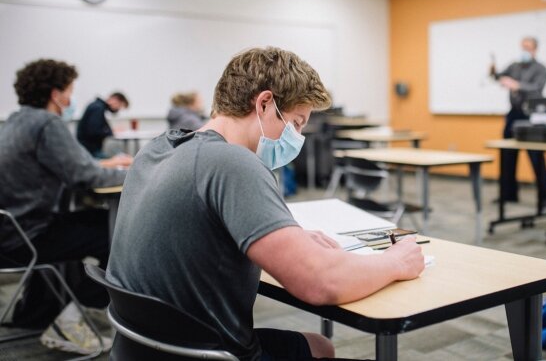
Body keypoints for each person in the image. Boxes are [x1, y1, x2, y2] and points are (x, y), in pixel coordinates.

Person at [107, 47, 424, 360]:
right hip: (207, 352)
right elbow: (320, 282)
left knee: (320, 347)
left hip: (142, 346)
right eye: (297, 123)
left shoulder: (156, 150)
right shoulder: (234, 163)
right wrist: (396, 262)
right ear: (264, 103)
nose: (297, 136)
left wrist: (290, 240)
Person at [0, 59, 132, 354]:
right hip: (28, 236)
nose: (71, 98)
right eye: (69, 90)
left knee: (92, 223)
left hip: (9, 232)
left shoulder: (16, 120)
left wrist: (101, 164)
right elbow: (87, 176)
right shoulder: (47, 124)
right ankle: (73, 323)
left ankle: (38, 311)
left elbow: (70, 166)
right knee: (123, 233)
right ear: (56, 93)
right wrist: (139, 171)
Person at [489, 36, 546, 206]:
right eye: (523, 47)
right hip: (514, 114)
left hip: (532, 115)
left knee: (536, 156)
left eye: (528, 47)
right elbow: (498, 77)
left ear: (535, 49)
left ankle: (543, 197)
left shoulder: (541, 68)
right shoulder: (514, 65)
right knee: (507, 154)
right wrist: (493, 71)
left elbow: (537, 87)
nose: (525, 50)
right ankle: (508, 194)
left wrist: (517, 85)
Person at [76, 91, 129, 157]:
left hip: (89, 149)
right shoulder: (98, 108)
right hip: (90, 150)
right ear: (115, 100)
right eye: (120, 106)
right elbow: (94, 131)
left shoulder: (98, 106)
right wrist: (110, 132)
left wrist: (110, 131)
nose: (118, 109)